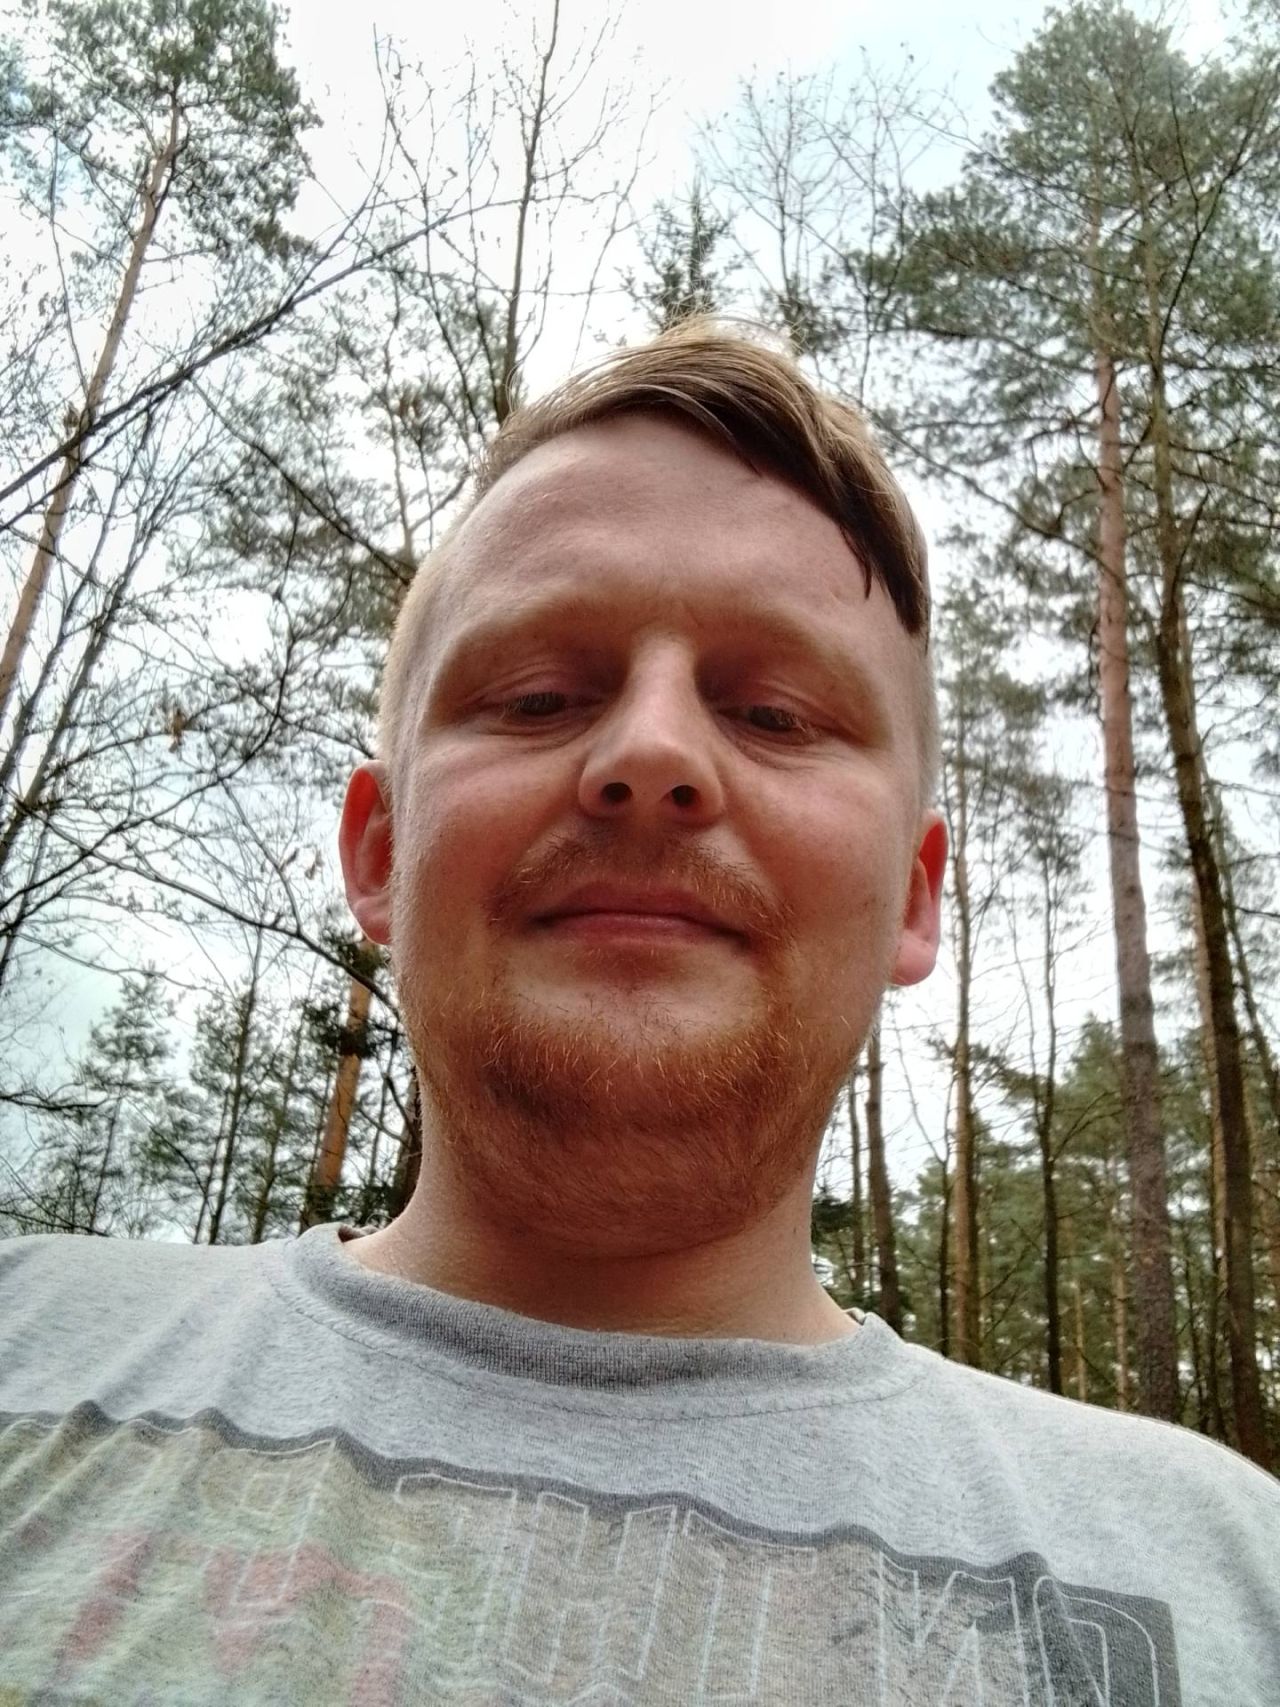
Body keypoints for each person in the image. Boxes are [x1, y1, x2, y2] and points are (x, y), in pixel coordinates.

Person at [0, 322, 1275, 1707]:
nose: (652, 752)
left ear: (916, 899)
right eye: (538, 696)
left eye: (775, 714)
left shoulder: (1230, 1571)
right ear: (380, 852)